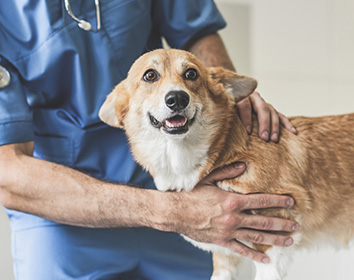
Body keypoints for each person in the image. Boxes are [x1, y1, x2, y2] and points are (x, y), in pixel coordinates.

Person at [0, 1, 298, 279]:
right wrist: (173, 212)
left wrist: (226, 95)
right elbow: (7, 171)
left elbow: (195, 28)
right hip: (63, 210)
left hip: (185, 185)